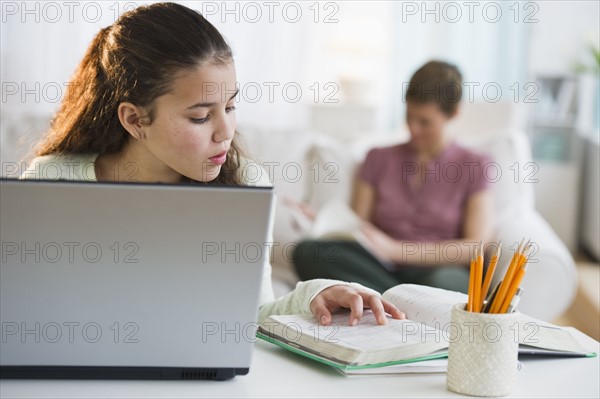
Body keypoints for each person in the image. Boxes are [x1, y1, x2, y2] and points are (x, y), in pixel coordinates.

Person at [20, 2, 405, 327]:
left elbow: (253, 317)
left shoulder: (245, 183)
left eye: (231, 106)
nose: (225, 131)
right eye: (201, 117)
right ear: (135, 120)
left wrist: (314, 293)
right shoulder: (53, 178)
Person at [293, 61, 495, 294]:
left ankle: (383, 298)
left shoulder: (475, 164)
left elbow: (476, 246)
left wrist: (396, 250)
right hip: (379, 267)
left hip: (438, 270)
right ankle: (403, 301)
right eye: (409, 117)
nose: (413, 129)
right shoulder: (378, 158)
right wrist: (326, 221)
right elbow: (357, 227)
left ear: (454, 113)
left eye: (425, 122)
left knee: (445, 285)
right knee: (308, 251)